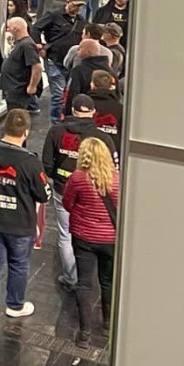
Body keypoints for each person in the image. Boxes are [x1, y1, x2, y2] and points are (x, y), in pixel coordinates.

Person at [0, 108, 51, 327]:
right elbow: (44, 194)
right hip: (19, 223)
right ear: (26, 132)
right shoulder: (29, 162)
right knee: (18, 264)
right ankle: (15, 305)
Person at [42, 92, 104, 292]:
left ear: (72, 110)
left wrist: (58, 177)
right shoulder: (100, 137)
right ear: (93, 112)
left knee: (65, 234)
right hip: (92, 193)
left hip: (63, 189)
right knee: (89, 233)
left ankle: (70, 277)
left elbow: (46, 163)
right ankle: (87, 277)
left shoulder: (56, 131)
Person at [64, 135, 119, 348]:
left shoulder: (78, 178)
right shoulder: (118, 179)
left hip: (84, 237)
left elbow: (68, 204)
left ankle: (84, 333)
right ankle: (107, 324)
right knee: (108, 282)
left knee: (85, 283)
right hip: (110, 239)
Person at [0, 15, 42, 112]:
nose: (8, 30)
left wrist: (32, 86)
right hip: (12, 89)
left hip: (18, 91)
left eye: (9, 27)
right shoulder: (20, 43)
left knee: (16, 116)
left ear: (15, 28)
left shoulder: (27, 45)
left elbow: (37, 67)